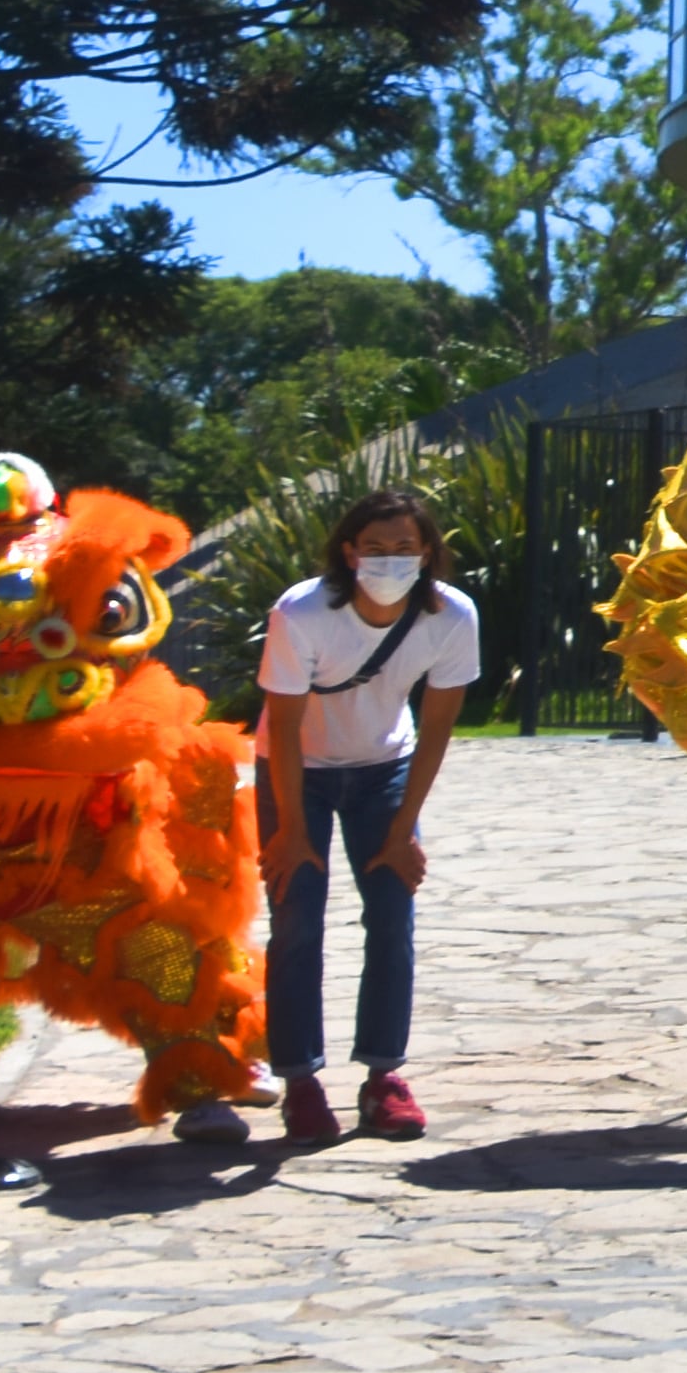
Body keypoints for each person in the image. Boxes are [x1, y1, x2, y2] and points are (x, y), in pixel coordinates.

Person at [255, 491, 482, 1146]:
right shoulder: (302, 613)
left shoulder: (451, 616)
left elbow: (438, 723)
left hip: (386, 767)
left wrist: (404, 825)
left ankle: (385, 1077)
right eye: (375, 549)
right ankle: (301, 1082)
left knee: (392, 913)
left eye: (405, 548)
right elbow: (287, 725)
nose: (390, 560)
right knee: (296, 917)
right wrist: (292, 832)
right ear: (349, 553)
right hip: (295, 770)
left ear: (428, 552)